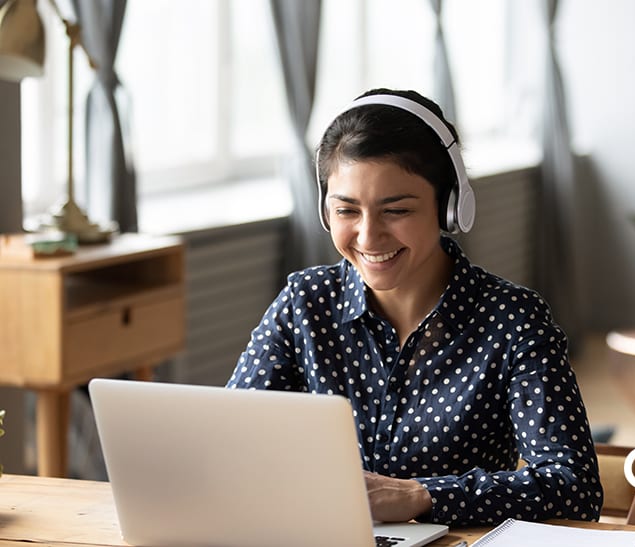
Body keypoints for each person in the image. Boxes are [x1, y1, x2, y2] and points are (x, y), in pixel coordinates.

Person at [226, 88, 602, 526]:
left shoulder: (513, 320)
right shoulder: (304, 303)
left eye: (396, 210)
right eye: (347, 210)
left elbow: (574, 486)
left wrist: (421, 496)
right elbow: (233, 442)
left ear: (449, 208)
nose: (368, 238)